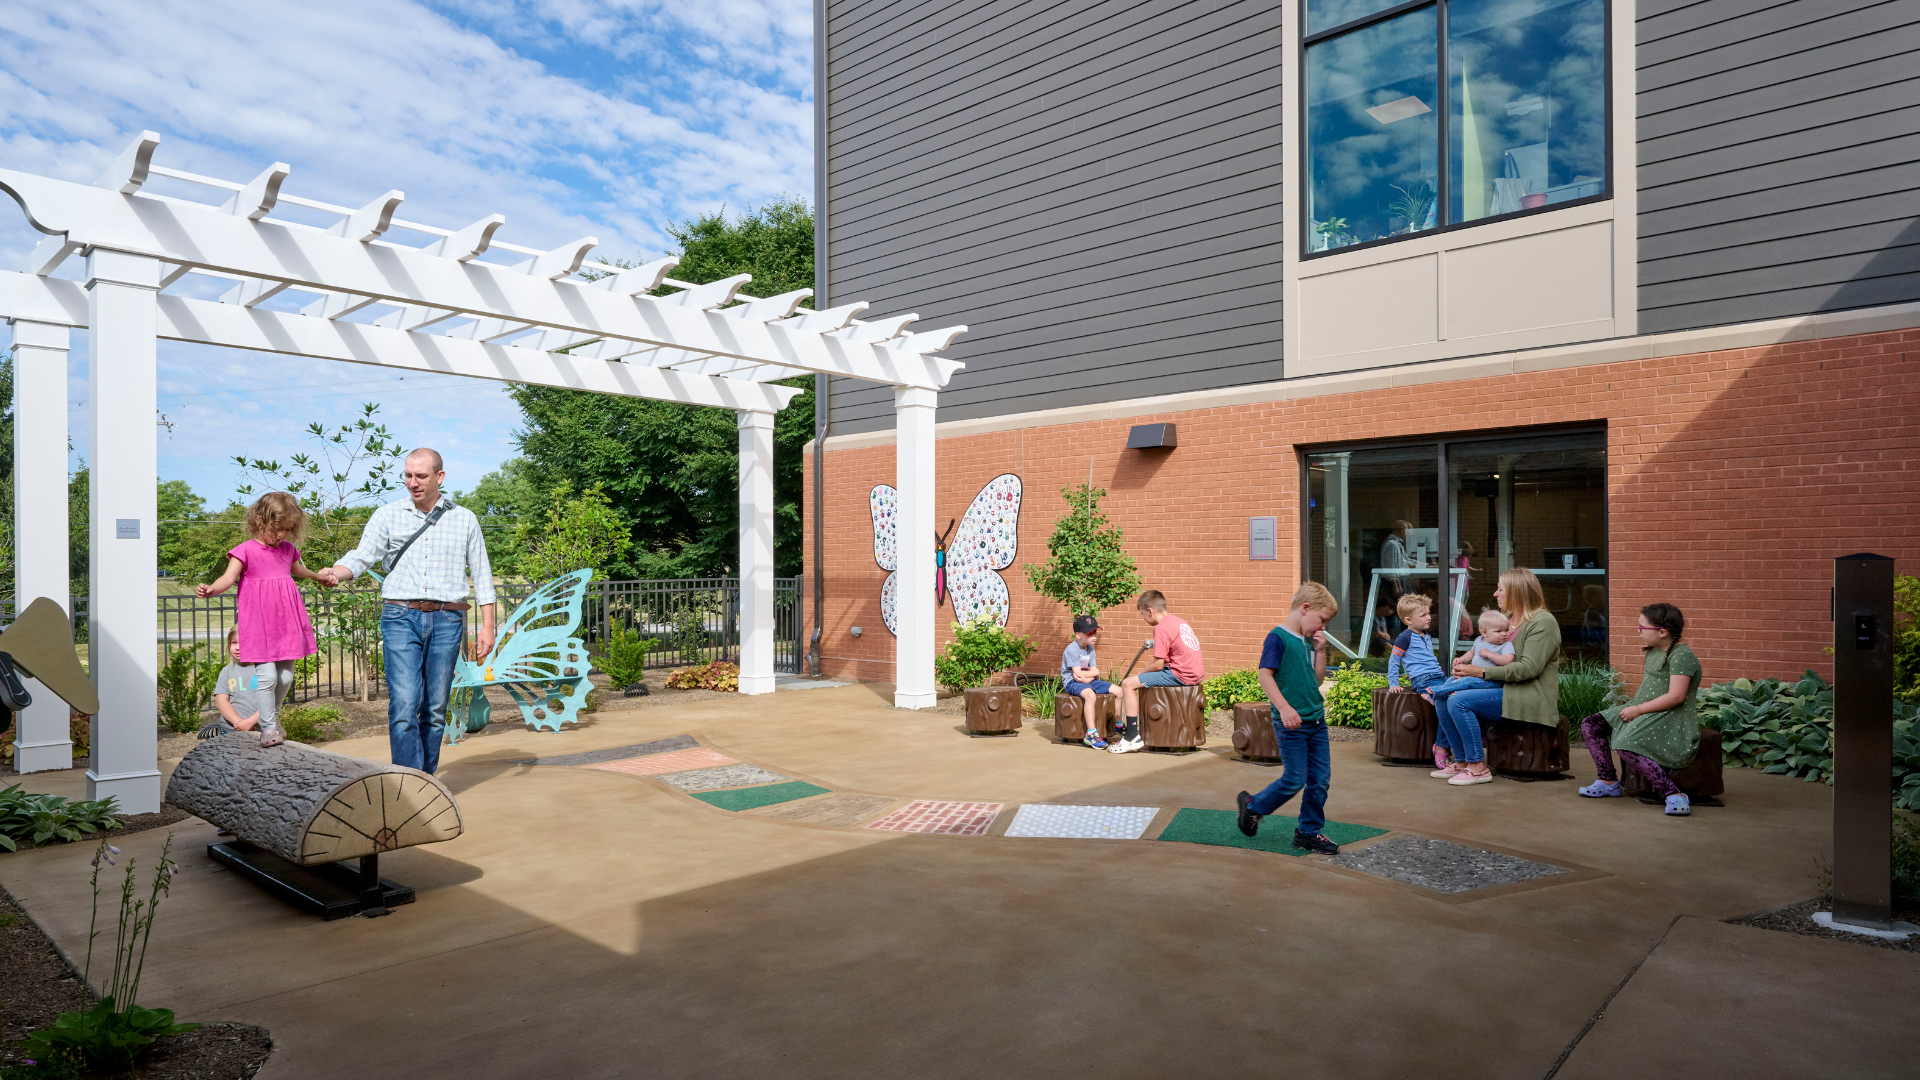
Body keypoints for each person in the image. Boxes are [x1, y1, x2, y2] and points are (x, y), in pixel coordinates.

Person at [319, 449, 495, 775]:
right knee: (403, 705)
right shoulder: (387, 515)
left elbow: (482, 575)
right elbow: (362, 556)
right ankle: (407, 787)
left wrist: (488, 626)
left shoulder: (464, 519)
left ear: (439, 477)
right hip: (400, 617)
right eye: (408, 476)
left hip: (447, 620)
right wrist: (336, 572)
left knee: (435, 708)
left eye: (421, 476)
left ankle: (424, 782)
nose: (412, 483)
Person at [195, 491, 321, 746]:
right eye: (278, 530)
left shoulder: (287, 550)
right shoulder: (245, 551)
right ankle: (267, 728)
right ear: (260, 522)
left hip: (286, 623)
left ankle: (272, 720)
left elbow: (298, 570)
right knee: (267, 677)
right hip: (260, 625)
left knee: (285, 677)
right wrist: (211, 589)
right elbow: (227, 579)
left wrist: (320, 577)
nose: (282, 535)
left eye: (287, 530)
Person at [1235, 582, 1342, 855]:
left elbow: (1316, 681)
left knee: (1319, 781)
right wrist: (1283, 708)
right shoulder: (1278, 638)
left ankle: (1308, 833)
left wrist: (1320, 651)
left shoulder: (1309, 641)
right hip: (1291, 725)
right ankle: (1253, 805)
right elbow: (1265, 675)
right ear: (1305, 609)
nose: (1322, 628)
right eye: (1322, 620)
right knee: (1295, 779)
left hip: (1316, 723)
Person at [1433, 568, 1561, 787]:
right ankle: (1463, 761)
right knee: (1444, 697)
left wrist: (1479, 672)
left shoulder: (1543, 622)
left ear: (1516, 592)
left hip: (1526, 694)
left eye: (1500, 589)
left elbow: (1528, 669)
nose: (1495, 594)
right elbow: (1481, 651)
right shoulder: (1506, 620)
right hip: (1499, 687)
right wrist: (1466, 666)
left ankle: (1478, 767)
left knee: (1458, 700)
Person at [1576, 603, 1704, 816]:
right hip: (1643, 709)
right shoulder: (1654, 651)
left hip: (1670, 715)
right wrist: (1635, 709)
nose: (1639, 631)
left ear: (1662, 632)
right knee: (1591, 724)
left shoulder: (1681, 655)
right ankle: (1607, 780)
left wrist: (1639, 710)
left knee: (1626, 745)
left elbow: (1676, 696)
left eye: (1643, 627)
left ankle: (1673, 793)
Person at [1112, 590, 1205, 755]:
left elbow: (1158, 665)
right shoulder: (1179, 622)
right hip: (1194, 672)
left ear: (1150, 610)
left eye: (1142, 614)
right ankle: (1134, 735)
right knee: (1137, 681)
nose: (1143, 618)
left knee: (1128, 684)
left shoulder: (1161, 628)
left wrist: (1138, 674)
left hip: (1180, 674)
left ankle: (1132, 737)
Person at [203, 628, 282, 746]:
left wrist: (250, 722)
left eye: (244, 642)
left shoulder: (266, 671)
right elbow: (221, 701)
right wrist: (239, 723)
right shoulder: (227, 671)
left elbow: (272, 702)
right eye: (234, 643)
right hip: (231, 730)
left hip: (261, 731)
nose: (237, 647)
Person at [1060, 614, 1120, 749]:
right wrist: (1093, 673)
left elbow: (1093, 672)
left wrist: (1092, 675)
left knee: (1119, 691)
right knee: (1090, 695)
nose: (1094, 636)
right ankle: (1091, 734)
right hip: (1072, 682)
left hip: (1088, 680)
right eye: (1089, 633)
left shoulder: (1091, 649)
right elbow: (1077, 674)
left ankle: (1119, 724)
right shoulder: (1072, 650)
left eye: (1095, 632)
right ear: (1078, 635)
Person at [1385, 594, 1445, 697]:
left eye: (1428, 613)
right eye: (1423, 615)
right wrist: (1394, 684)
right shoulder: (1404, 638)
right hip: (1423, 679)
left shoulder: (1426, 635)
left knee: (1458, 689)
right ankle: (1430, 698)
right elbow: (1393, 661)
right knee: (1445, 697)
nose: (1428, 618)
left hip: (1438, 675)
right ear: (1408, 620)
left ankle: (1431, 697)